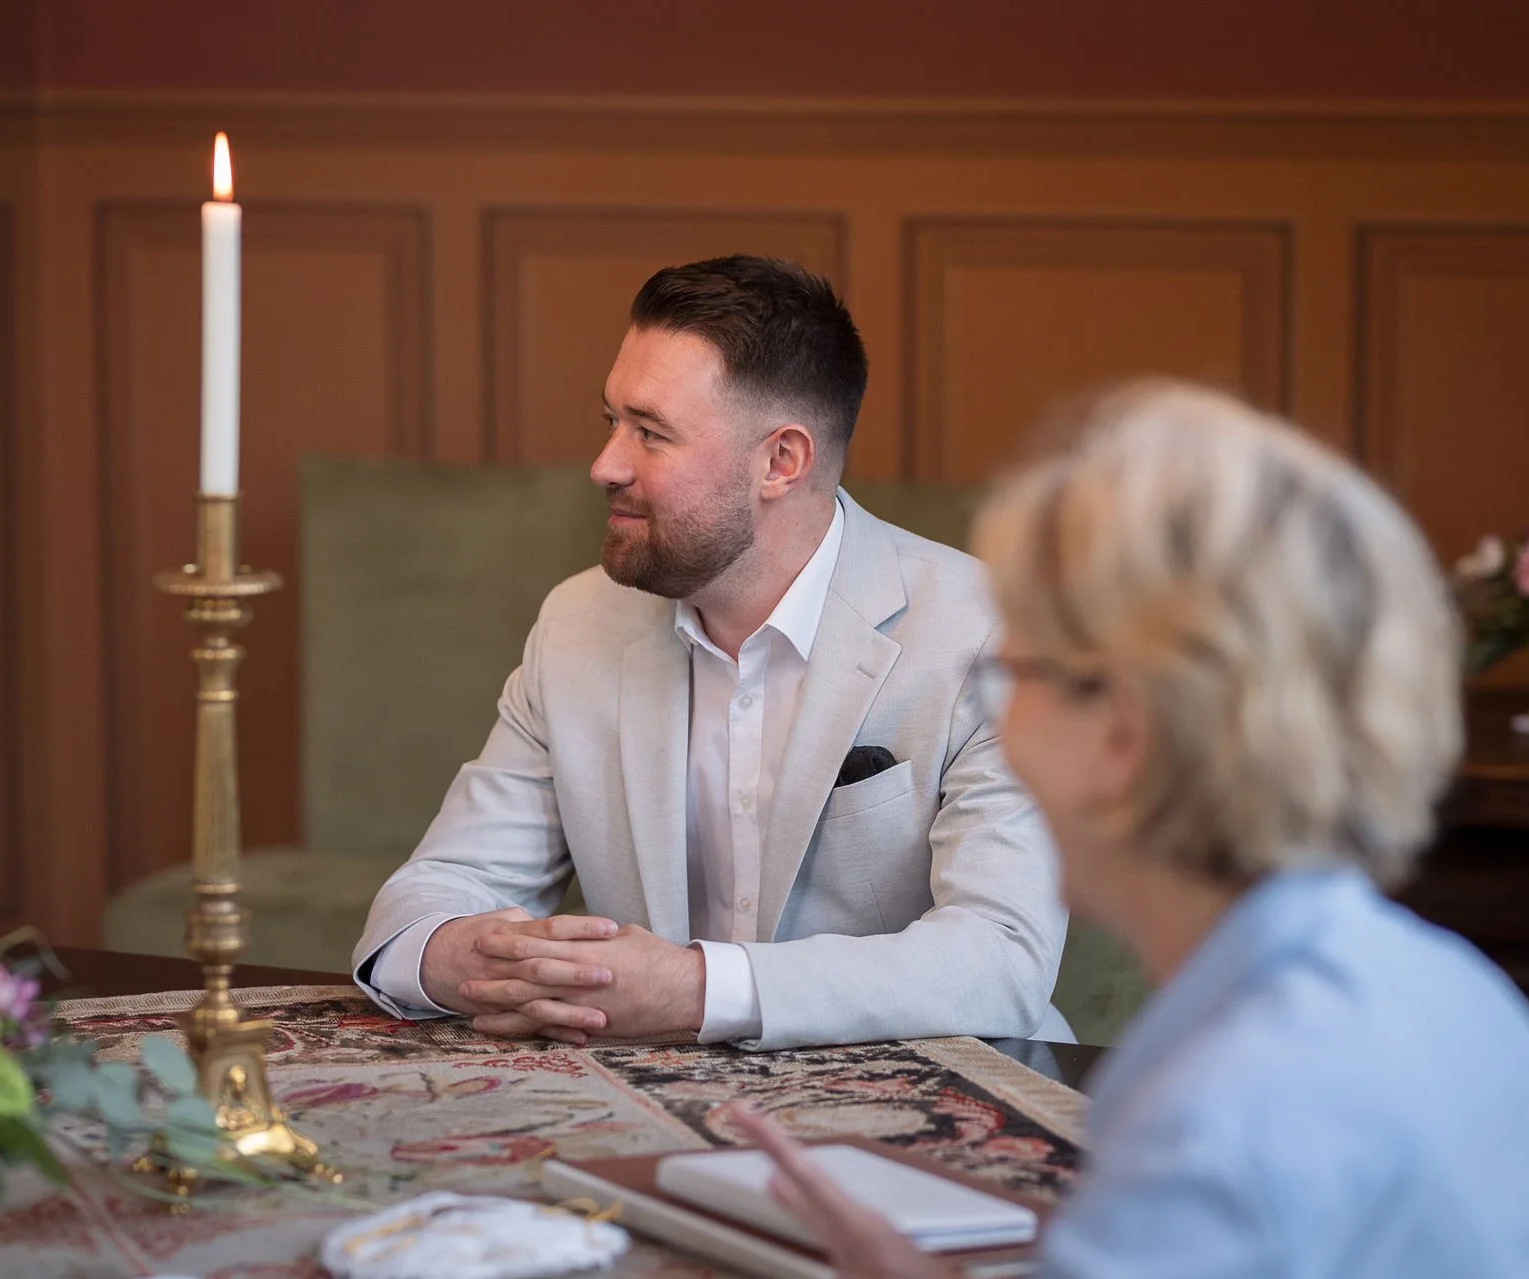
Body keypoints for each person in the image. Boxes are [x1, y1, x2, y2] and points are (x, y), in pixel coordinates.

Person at [733, 381, 1529, 1275]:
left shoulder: (1223, 1121)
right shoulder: (1451, 985)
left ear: (1124, 733)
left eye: (1017, 670)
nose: (995, 716)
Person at [352, 255, 1071, 1051]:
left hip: (943, 1120)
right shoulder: (577, 625)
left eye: (651, 433)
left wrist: (692, 989)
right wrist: (480, 958)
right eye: (610, 422)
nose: (605, 465)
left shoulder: (991, 634)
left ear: (781, 462)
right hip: (652, 1117)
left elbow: (1001, 959)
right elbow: (427, 897)